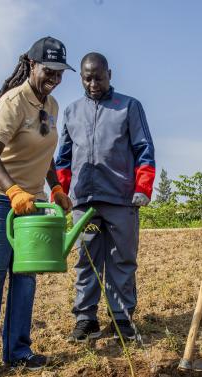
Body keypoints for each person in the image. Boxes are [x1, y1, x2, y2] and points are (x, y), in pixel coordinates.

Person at [0, 36, 74, 377]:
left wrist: (54, 186)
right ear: (32, 66)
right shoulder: (12, 102)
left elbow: (45, 151)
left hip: (31, 200)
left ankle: (18, 352)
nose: (54, 78)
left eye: (59, 72)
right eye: (48, 71)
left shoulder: (51, 106)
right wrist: (12, 191)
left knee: (25, 273)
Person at [55, 52, 156, 343]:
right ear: (81, 78)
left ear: (109, 74)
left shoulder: (128, 107)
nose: (93, 83)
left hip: (122, 199)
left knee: (121, 259)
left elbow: (144, 149)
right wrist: (60, 194)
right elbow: (62, 159)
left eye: (98, 77)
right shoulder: (72, 112)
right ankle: (86, 318)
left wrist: (143, 188)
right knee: (86, 259)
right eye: (87, 78)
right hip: (83, 202)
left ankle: (121, 319)